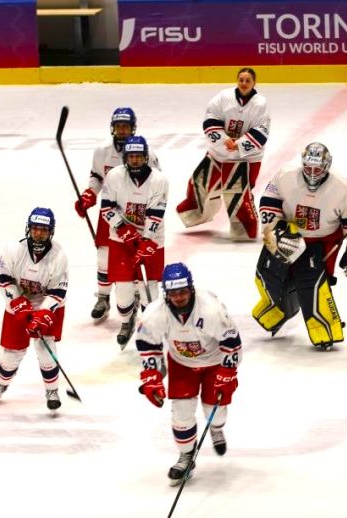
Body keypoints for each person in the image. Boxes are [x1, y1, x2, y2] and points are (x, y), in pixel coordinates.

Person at [252, 142, 347, 349]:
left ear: (327, 165)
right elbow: (268, 202)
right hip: (287, 234)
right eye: (308, 167)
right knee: (265, 275)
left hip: (319, 242)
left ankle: (325, 331)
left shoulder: (342, 186)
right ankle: (276, 312)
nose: (313, 173)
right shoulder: (285, 175)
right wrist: (276, 228)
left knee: (312, 287)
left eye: (318, 168)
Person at [135, 263, 242, 485]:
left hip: (214, 362)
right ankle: (186, 456)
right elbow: (147, 344)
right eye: (173, 293)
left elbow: (232, 341)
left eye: (183, 291)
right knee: (181, 415)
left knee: (216, 411)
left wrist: (227, 372)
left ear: (191, 289)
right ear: (166, 293)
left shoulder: (210, 310)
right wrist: (152, 376)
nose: (179, 297)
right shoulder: (155, 313)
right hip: (181, 363)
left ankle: (216, 428)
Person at [74, 107, 161, 323]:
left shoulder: (147, 154)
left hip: (138, 215)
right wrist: (89, 195)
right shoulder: (102, 151)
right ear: (113, 128)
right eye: (119, 126)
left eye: (126, 126)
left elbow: (157, 185)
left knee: (137, 254)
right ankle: (103, 298)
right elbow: (96, 177)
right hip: (110, 213)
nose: (122, 130)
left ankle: (135, 292)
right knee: (104, 257)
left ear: (133, 128)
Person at [0, 208, 69, 414]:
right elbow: (3, 280)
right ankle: (1, 385)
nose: (39, 233)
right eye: (35, 229)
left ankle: (52, 391)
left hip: (48, 304)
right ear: (28, 229)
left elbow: (58, 291)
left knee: (45, 349)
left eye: (44, 230)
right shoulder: (13, 249)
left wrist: (43, 315)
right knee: (13, 350)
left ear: (51, 231)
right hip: (17, 300)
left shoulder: (59, 256)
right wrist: (19, 304)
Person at [177, 67, 271, 240]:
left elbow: (262, 131)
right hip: (219, 153)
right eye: (241, 80)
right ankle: (195, 215)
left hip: (246, 159)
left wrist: (240, 144)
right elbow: (210, 118)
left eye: (248, 80)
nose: (244, 83)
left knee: (238, 195)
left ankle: (244, 231)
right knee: (198, 183)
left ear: (254, 83)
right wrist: (223, 139)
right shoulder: (223, 97)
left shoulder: (260, 104)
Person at [99, 136, 168, 347]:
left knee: (152, 293)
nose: (135, 160)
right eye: (131, 157)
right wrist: (124, 230)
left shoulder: (159, 180)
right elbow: (106, 208)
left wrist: (146, 240)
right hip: (120, 240)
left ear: (146, 157)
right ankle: (127, 320)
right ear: (125, 158)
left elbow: (156, 213)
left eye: (139, 156)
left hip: (152, 240)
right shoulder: (114, 176)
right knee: (123, 295)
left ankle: (152, 328)